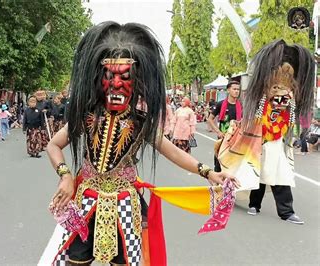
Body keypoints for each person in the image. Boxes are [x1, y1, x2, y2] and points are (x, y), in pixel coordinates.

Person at [40, 22, 239, 265]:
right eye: (109, 76)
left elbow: (172, 151)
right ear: (98, 80)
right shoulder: (85, 115)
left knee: (126, 262)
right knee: (74, 261)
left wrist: (207, 172)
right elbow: (53, 145)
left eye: (125, 77)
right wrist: (66, 176)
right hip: (86, 200)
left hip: (125, 202)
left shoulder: (142, 123)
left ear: (138, 83)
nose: (116, 84)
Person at [217, 40, 315, 225]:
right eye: (276, 88)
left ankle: (286, 211)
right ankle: (255, 204)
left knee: (280, 174)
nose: (281, 93)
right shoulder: (261, 104)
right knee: (257, 172)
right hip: (258, 141)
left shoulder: (287, 104)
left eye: (285, 89)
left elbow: (289, 114)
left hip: (276, 143)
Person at [207, 81, 242, 171]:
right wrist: (218, 132)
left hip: (236, 140)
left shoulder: (241, 105)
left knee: (233, 167)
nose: (237, 91)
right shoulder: (220, 104)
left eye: (238, 89)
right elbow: (210, 119)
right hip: (222, 139)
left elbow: (245, 120)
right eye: (234, 89)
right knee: (219, 167)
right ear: (228, 90)